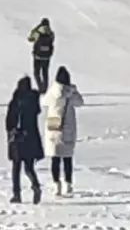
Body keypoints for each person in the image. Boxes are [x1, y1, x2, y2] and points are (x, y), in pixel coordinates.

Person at [42, 66, 84, 197]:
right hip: (67, 124)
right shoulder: (70, 93)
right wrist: (74, 91)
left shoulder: (52, 91)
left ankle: (56, 185)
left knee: (54, 156)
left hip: (54, 121)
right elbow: (80, 102)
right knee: (67, 158)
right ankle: (68, 184)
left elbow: (44, 102)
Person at [6, 76, 44, 204]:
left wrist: (11, 133)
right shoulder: (34, 100)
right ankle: (36, 185)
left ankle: (17, 194)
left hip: (18, 138)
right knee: (29, 167)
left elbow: (10, 120)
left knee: (16, 168)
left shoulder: (17, 100)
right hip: (31, 138)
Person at [27, 18, 55, 93]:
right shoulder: (51, 33)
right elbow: (52, 41)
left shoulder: (37, 33)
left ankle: (40, 87)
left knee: (36, 73)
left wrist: (36, 28)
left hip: (37, 56)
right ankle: (45, 88)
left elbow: (30, 39)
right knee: (45, 72)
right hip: (47, 57)